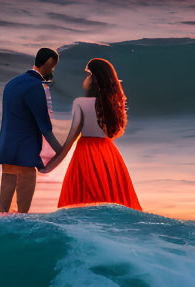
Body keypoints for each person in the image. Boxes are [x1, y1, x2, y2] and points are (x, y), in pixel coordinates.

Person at [41, 57, 142, 210]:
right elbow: (115, 133)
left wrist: (49, 167)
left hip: (86, 154)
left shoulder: (80, 103)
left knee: (83, 202)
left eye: (88, 74)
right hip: (109, 155)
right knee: (111, 199)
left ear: (94, 79)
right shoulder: (115, 104)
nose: (86, 78)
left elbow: (69, 141)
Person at [0, 47, 63, 213]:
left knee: (2, 211)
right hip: (25, 150)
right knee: (22, 214)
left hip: (6, 148)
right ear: (49, 63)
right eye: (53, 67)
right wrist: (61, 152)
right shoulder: (35, 86)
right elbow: (45, 127)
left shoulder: (11, 83)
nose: (52, 71)